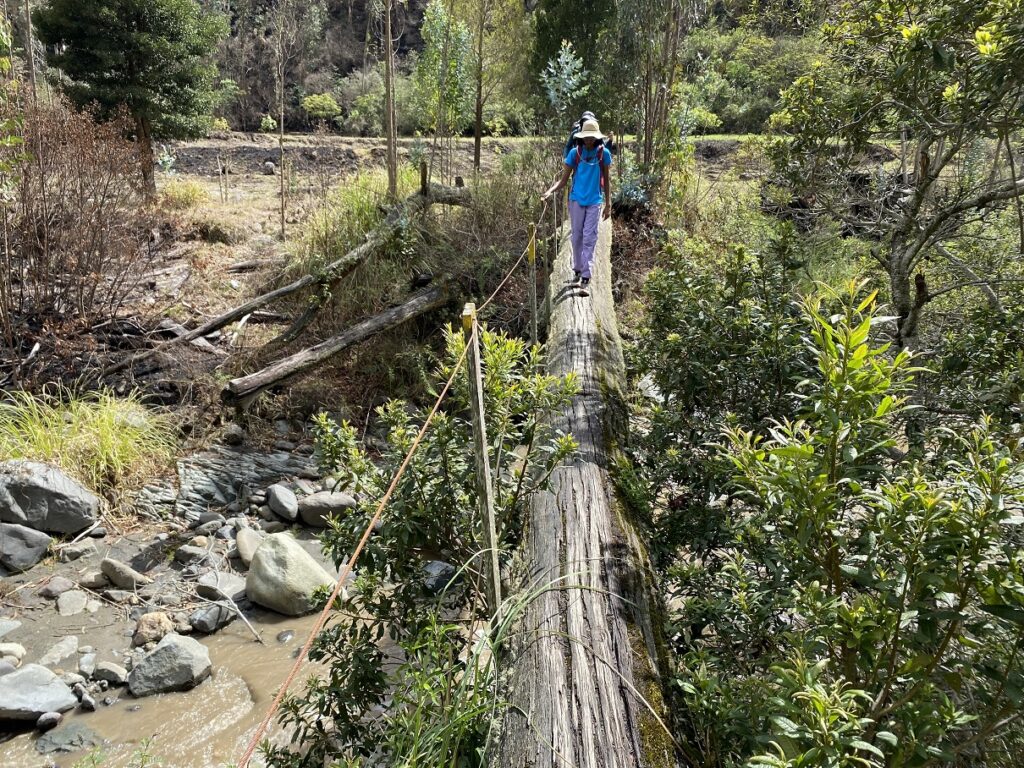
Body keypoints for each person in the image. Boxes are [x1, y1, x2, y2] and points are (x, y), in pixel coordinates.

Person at [542, 117, 612, 292]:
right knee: (576, 237)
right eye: (586, 137)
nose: (589, 140)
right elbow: (563, 180)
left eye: (592, 137)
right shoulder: (575, 153)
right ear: (581, 137)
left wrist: (609, 203)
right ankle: (578, 271)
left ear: (597, 137)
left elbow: (607, 179)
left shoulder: (604, 153)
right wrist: (550, 191)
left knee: (590, 237)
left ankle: (586, 279)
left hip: (595, 200)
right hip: (576, 200)